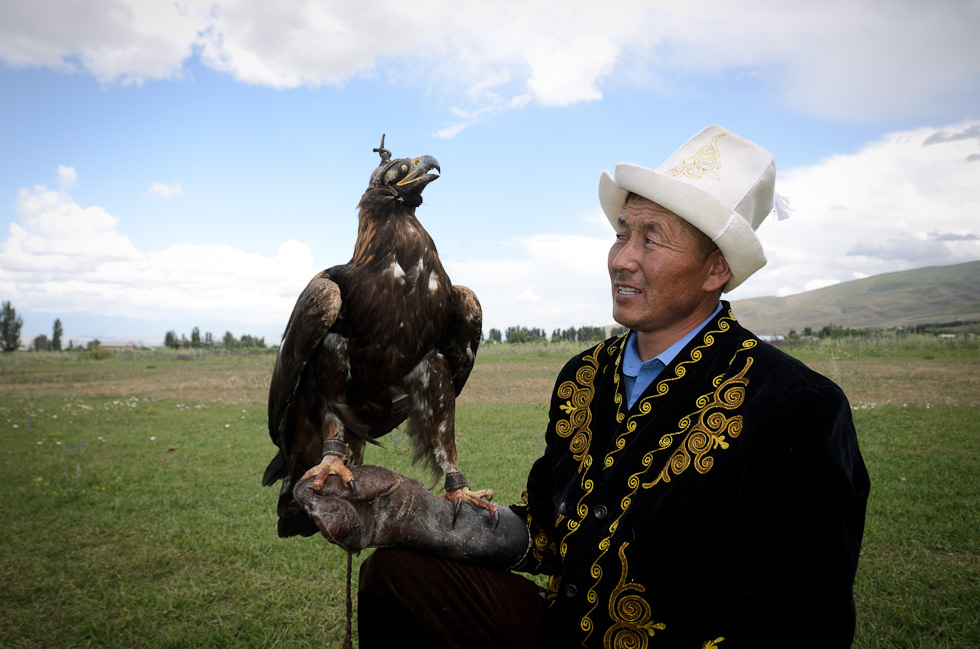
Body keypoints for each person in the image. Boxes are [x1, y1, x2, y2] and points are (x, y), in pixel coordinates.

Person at [295, 125, 871, 649]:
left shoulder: (797, 408)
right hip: (564, 633)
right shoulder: (584, 377)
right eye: (622, 234)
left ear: (715, 268)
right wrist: (422, 518)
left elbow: (799, 623)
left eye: (652, 239)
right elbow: (548, 532)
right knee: (396, 575)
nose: (622, 259)